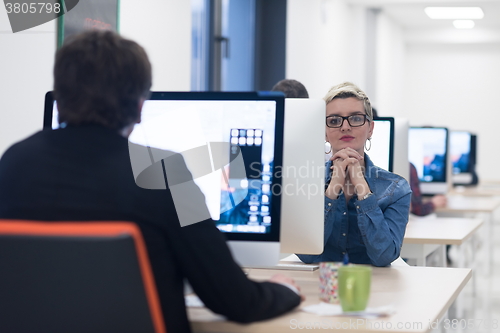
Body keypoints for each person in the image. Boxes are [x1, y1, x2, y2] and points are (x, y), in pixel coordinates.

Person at [0, 31, 302, 333]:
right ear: (140, 105)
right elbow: (234, 300)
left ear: (61, 96)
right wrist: (283, 290)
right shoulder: (165, 171)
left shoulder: (13, 163)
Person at [297, 82, 411, 267]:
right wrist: (332, 188)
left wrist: (362, 188)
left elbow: (384, 256)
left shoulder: (396, 188)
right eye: (334, 120)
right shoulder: (307, 181)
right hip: (323, 285)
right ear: (324, 132)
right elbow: (306, 254)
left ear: (370, 129)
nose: (345, 127)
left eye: (356, 119)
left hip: (377, 288)